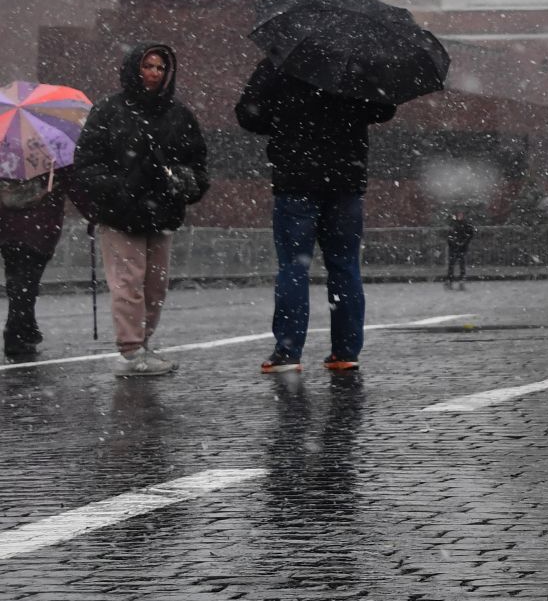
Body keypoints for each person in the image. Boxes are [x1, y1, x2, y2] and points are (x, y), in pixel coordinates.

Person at [237, 54, 395, 373]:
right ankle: (346, 350)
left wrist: (284, 118)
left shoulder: (281, 62)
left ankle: (288, 351)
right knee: (346, 266)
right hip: (346, 180)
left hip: (296, 178)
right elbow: (384, 109)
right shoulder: (355, 62)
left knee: (294, 266)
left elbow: (248, 115)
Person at [70, 44, 209, 377]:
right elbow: (86, 166)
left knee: (155, 286)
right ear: (134, 69)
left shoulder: (179, 115)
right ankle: (132, 350)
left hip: (161, 213)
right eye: (148, 66)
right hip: (120, 215)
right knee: (128, 283)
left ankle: (142, 344)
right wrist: (121, 186)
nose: (154, 73)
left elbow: (198, 166)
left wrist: (180, 179)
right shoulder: (108, 111)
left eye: (160, 68)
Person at [1, 169, 68, 362]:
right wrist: (95, 213)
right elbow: (75, 188)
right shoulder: (55, 157)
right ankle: (17, 336)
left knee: (18, 281)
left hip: (8, 229)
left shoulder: (7, 153)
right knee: (26, 282)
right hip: (39, 229)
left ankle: (27, 330)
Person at [445, 210, 476, 287]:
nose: (460, 216)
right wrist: (453, 242)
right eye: (459, 214)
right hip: (454, 247)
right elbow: (449, 235)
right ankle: (450, 279)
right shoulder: (454, 224)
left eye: (461, 215)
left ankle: (460, 279)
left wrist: (463, 242)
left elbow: (470, 234)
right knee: (452, 264)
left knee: (460, 264)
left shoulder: (465, 224)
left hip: (461, 247)